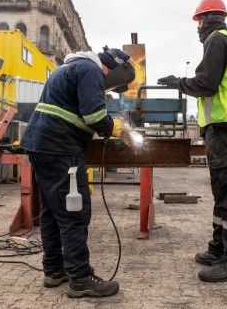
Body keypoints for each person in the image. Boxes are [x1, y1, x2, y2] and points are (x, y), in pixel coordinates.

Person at [20, 47, 135, 297]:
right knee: (75, 212)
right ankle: (80, 278)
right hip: (60, 148)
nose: (111, 89)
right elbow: (94, 115)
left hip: (42, 146)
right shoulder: (91, 70)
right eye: (116, 85)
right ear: (115, 71)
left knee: (52, 212)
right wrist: (114, 127)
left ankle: (54, 270)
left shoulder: (70, 67)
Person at [157, 0, 227, 283]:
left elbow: (205, 84)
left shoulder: (217, 40)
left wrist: (177, 82)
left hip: (224, 126)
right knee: (221, 190)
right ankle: (219, 249)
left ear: (205, 19)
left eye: (198, 22)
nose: (197, 28)